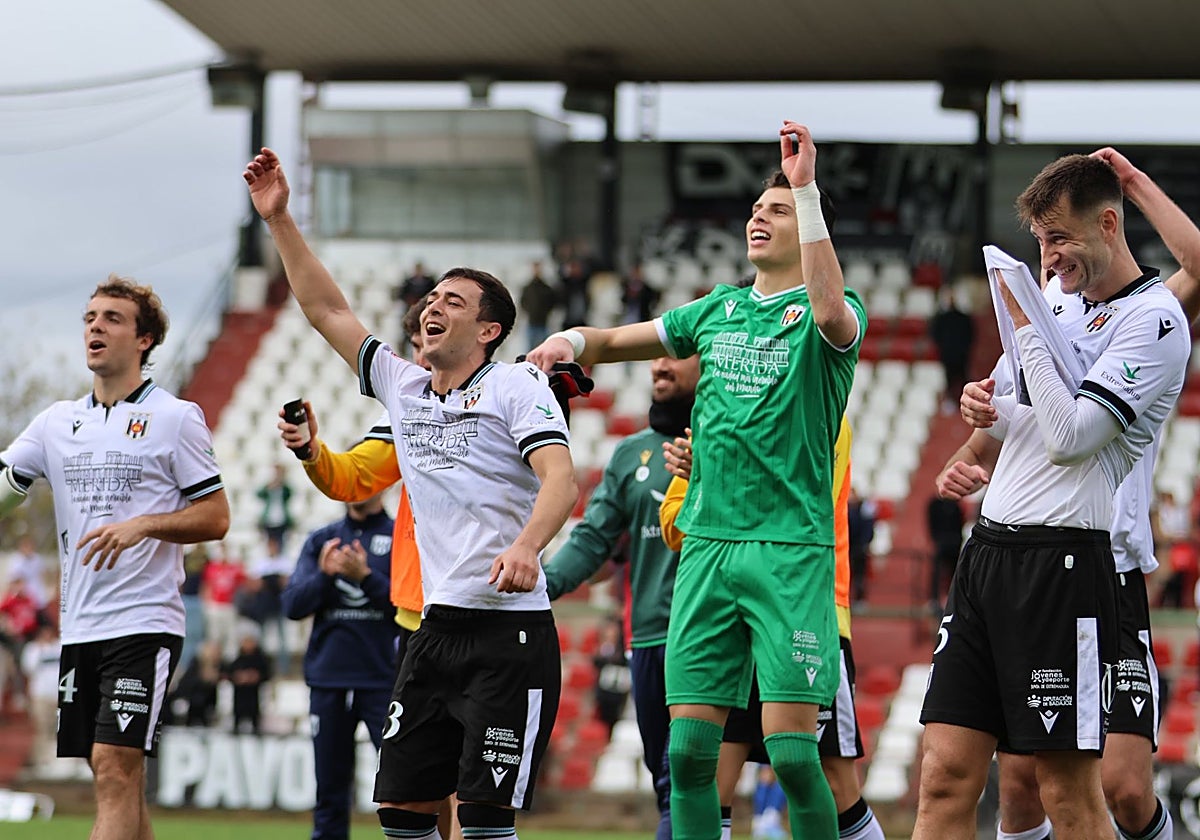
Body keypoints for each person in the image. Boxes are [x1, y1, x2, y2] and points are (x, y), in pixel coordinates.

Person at [528, 121, 865, 839]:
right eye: (756, 208)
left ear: (808, 229)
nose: (756, 217)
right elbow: (619, 341)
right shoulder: (717, 308)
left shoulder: (827, 316)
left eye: (774, 210)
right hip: (706, 550)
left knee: (796, 759)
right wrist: (569, 342)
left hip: (790, 553)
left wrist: (801, 188)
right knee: (686, 754)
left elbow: (832, 309)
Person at [246, 147, 578, 840]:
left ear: (488, 331)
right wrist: (279, 220)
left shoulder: (517, 386)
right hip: (431, 631)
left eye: (452, 302)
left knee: (486, 821)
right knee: (401, 815)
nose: (432, 307)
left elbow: (561, 480)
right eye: (430, 299)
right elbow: (326, 309)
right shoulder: (403, 388)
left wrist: (525, 546)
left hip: (509, 632)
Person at [917, 149, 1197, 839]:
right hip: (989, 554)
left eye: (1059, 239)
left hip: (1069, 564)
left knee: (1076, 791)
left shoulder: (1157, 321)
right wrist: (988, 411)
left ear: (1108, 224)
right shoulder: (1060, 302)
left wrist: (1020, 324)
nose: (1047, 257)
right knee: (945, 774)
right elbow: (1030, 415)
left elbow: (1072, 434)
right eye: (1039, 242)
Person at [0, 276, 230, 840]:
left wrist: (144, 525)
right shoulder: (55, 422)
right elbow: (6, 484)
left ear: (144, 339)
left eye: (111, 318)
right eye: (89, 317)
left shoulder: (176, 418)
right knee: (115, 775)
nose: (95, 327)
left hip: (144, 622)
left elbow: (217, 517)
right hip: (79, 628)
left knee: (113, 766)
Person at [661, 414, 886, 840]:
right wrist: (704, 481)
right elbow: (673, 525)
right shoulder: (718, 414)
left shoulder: (825, 412)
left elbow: (805, 506)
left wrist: (719, 475)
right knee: (709, 777)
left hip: (808, 611)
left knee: (827, 781)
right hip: (729, 616)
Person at [541, 351, 699, 840]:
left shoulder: (736, 441)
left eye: (677, 356)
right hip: (648, 637)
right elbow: (593, 537)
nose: (659, 366)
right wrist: (537, 585)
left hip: (710, 635)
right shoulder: (631, 454)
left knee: (690, 784)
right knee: (669, 786)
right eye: (656, 357)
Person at [282, 492, 398, 840]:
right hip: (329, 679)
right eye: (352, 480)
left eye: (366, 479)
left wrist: (366, 577)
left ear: (380, 484)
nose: (359, 489)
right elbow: (292, 605)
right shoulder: (321, 540)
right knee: (330, 793)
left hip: (385, 681)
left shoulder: (400, 537)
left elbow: (412, 608)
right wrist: (324, 576)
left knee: (403, 787)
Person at [247, 534, 293, 676]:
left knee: (282, 638)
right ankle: (262, 665)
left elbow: (287, 583)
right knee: (263, 637)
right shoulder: (261, 563)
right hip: (266, 604)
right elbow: (255, 584)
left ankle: (284, 668)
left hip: (279, 604)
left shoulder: (284, 562)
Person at [929, 285, 976, 415]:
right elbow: (935, 334)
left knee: (963, 378)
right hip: (947, 354)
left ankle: (968, 403)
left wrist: (965, 347)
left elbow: (970, 333)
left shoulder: (963, 317)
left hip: (961, 353)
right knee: (948, 379)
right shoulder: (940, 318)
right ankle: (950, 402)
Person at [226, 632, 272, 734]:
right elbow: (229, 674)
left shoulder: (260, 660)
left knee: (254, 717)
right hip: (239, 697)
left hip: (254, 696)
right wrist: (239, 677)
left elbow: (267, 674)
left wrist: (255, 677)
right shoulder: (237, 660)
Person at [925, 496, 964, 610]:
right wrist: (936, 540)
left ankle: (954, 598)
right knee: (936, 572)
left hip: (954, 544)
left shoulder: (955, 505)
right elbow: (931, 522)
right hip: (941, 543)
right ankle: (934, 599)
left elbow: (959, 522)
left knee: (955, 573)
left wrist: (958, 540)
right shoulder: (934, 504)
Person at [518, 261, 559, 348]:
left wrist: (546, 312)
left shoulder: (546, 288)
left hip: (543, 322)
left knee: (543, 347)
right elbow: (523, 302)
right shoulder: (528, 288)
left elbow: (552, 302)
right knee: (530, 347)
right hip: (531, 322)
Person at [845, 490, 875, 606]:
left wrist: (865, 543)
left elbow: (868, 528)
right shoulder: (846, 510)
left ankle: (860, 599)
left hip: (860, 548)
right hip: (848, 547)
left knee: (860, 576)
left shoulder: (864, 509)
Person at [5, 535, 50, 611]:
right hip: (24, 599)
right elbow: (13, 580)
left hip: (38, 597)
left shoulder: (38, 559)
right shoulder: (16, 561)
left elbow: (45, 575)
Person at [256, 464, 295, 546]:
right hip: (269, 520)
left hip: (282, 520)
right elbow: (259, 494)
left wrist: (282, 482)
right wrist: (269, 486)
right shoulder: (268, 487)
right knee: (269, 542)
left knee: (281, 543)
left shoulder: (284, 488)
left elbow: (290, 493)